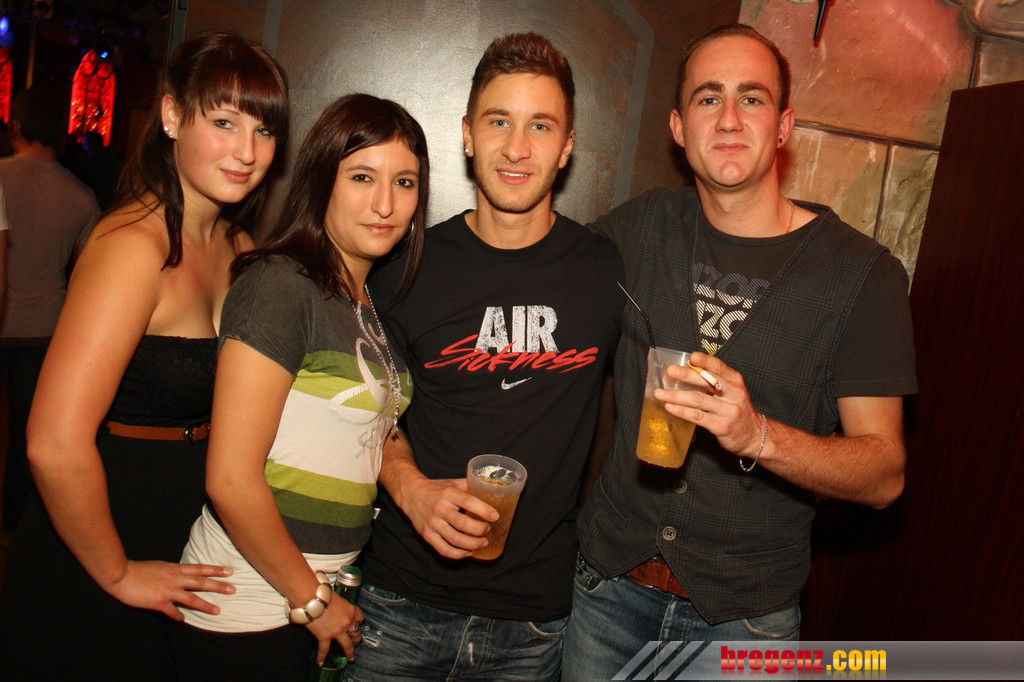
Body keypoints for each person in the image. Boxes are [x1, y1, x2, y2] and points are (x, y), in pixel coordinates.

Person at [562, 23, 917, 678]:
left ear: (784, 126)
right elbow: (533, 274)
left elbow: (883, 474)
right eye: (708, 98)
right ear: (678, 127)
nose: (729, 118)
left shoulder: (862, 276)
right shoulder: (640, 228)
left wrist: (758, 436)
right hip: (605, 595)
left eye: (751, 98)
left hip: (743, 627)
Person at [0, 31, 289, 678]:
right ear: (171, 116)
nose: (247, 152)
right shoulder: (133, 246)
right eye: (224, 123)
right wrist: (118, 573)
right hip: (107, 526)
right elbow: (52, 442)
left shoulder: (240, 248)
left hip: (193, 520)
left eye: (264, 130)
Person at [349, 33, 623, 681]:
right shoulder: (404, 269)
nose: (517, 148)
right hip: (400, 604)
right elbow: (363, 413)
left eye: (540, 126)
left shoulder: (606, 272)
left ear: (568, 146)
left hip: (534, 622)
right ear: (468, 135)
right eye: (499, 122)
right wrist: (410, 488)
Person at [170, 93, 428, 681]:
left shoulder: (364, 304)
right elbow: (230, 478)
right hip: (247, 606)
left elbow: (370, 430)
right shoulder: (281, 285)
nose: (385, 203)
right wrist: (312, 600)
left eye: (405, 182)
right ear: (320, 182)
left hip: (310, 599)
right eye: (362, 177)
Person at [0, 89, 99, 536]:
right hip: (45, 330)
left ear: (16, 126)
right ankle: (11, 526)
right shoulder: (81, 197)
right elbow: (82, 276)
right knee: (30, 436)